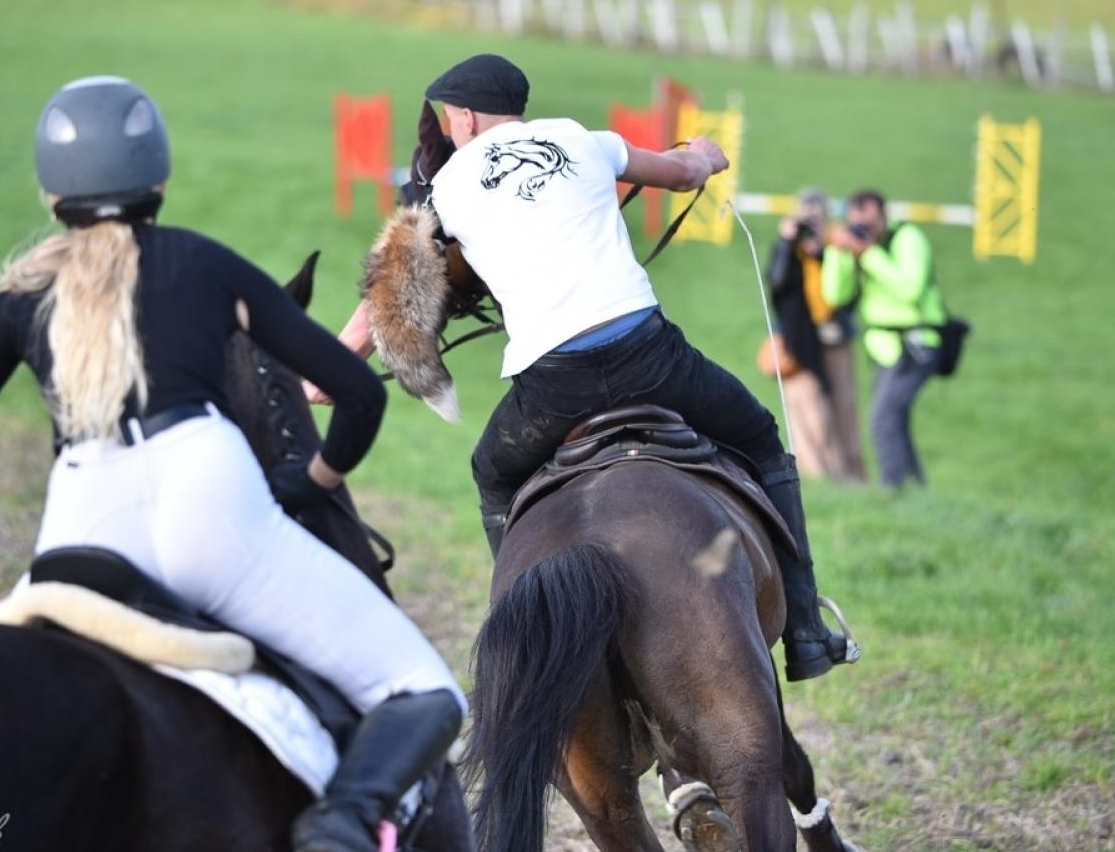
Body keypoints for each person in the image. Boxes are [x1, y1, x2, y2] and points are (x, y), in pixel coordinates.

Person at [0, 77, 464, 852]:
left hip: (82, 519)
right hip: (210, 500)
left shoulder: (21, 295)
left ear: (48, 190)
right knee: (421, 685)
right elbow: (358, 392)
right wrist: (312, 482)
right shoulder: (206, 265)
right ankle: (341, 823)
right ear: (157, 180)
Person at [318, 53, 851, 682]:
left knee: (491, 472)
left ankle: (521, 654)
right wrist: (706, 154)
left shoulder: (448, 189)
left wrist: (321, 374)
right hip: (650, 357)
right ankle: (808, 634)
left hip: (552, 384)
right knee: (760, 435)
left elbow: (385, 303)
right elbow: (682, 172)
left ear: (463, 117)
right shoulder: (581, 138)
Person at [822, 189, 947, 489]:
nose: (865, 230)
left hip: (916, 343)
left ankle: (893, 490)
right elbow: (836, 294)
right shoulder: (859, 248)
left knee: (882, 420)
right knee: (895, 419)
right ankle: (915, 490)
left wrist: (869, 254)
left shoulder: (907, 239)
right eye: (857, 224)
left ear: (884, 217)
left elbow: (910, 290)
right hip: (883, 347)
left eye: (870, 222)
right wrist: (839, 253)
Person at [767, 189, 866, 484]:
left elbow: (849, 294)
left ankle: (851, 480)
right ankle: (818, 480)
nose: (813, 228)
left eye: (819, 221)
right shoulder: (788, 250)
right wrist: (788, 242)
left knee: (844, 413)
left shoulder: (837, 248)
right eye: (807, 221)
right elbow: (777, 283)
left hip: (834, 342)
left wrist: (829, 249)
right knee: (809, 416)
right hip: (798, 345)